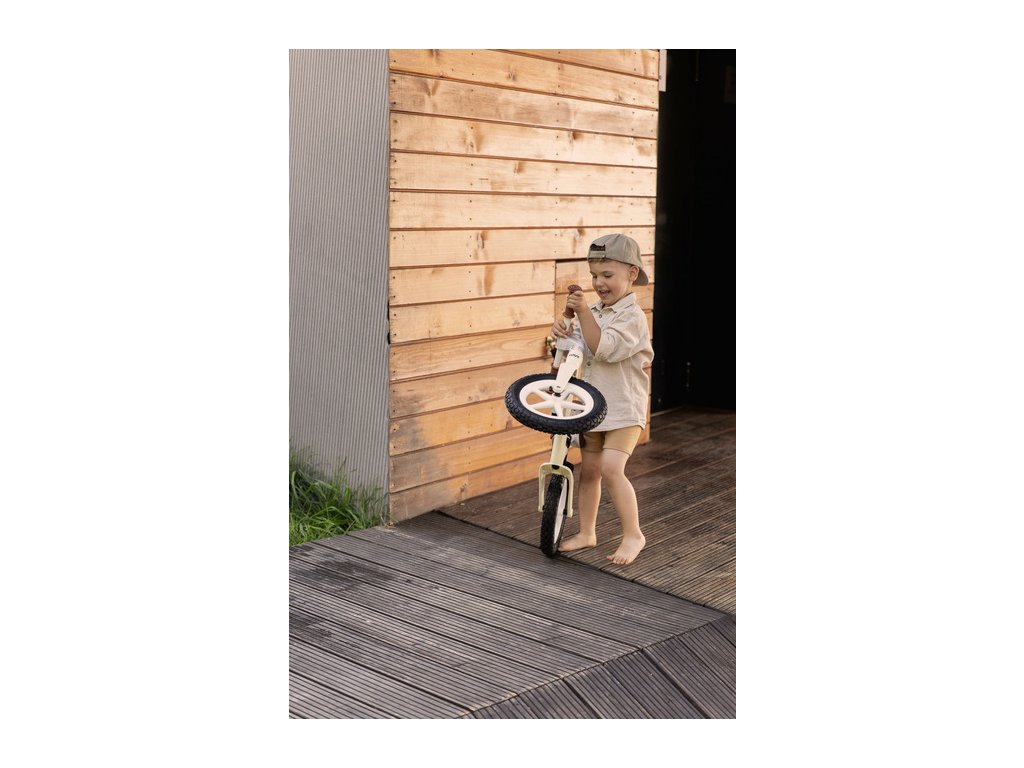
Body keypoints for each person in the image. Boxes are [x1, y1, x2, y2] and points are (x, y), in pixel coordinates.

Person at [550, 233, 654, 565]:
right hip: (592, 407)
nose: (599, 283)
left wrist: (582, 313)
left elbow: (603, 349)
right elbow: (573, 351)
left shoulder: (632, 317)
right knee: (591, 470)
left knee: (611, 468)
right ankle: (587, 532)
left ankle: (634, 534)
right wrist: (563, 329)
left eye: (607, 275)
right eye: (594, 275)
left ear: (631, 274)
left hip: (623, 409)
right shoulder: (593, 311)